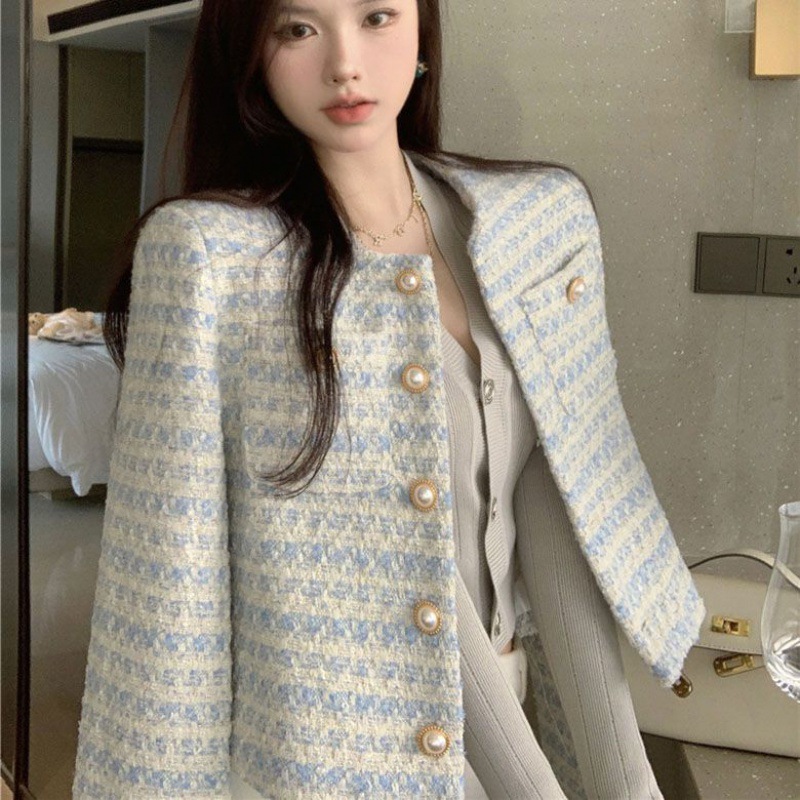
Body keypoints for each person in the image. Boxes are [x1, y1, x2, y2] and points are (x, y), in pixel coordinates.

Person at [72, 0, 705, 797]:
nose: (345, 64)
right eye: (297, 29)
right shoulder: (212, 257)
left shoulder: (535, 220)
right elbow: (167, 569)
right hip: (334, 763)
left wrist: (626, 782)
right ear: (252, 53)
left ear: (421, 28)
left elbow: (557, 483)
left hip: (524, 715)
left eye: (376, 16)